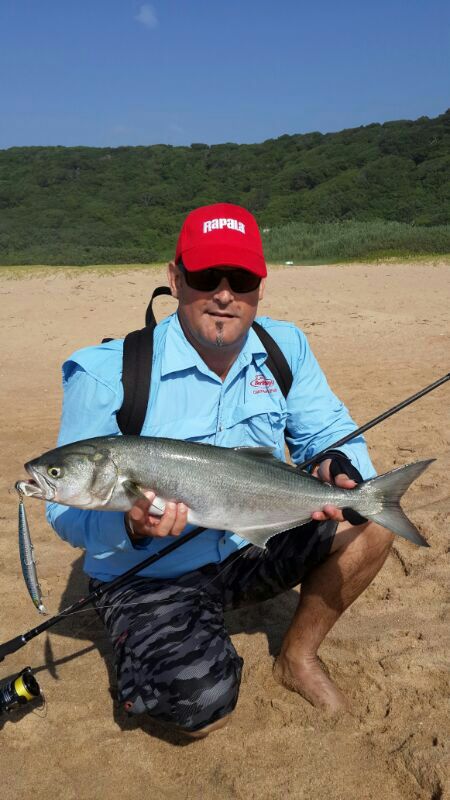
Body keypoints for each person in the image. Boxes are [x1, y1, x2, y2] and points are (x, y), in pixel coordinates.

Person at [47, 202, 394, 737]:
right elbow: (61, 512)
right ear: (175, 278)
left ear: (261, 283)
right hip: (149, 573)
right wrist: (130, 526)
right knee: (201, 711)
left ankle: (298, 657)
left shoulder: (285, 348)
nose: (225, 293)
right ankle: (165, 639)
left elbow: (327, 433)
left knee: (369, 525)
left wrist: (338, 464)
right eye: (207, 276)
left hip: (247, 541)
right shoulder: (106, 373)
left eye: (242, 278)